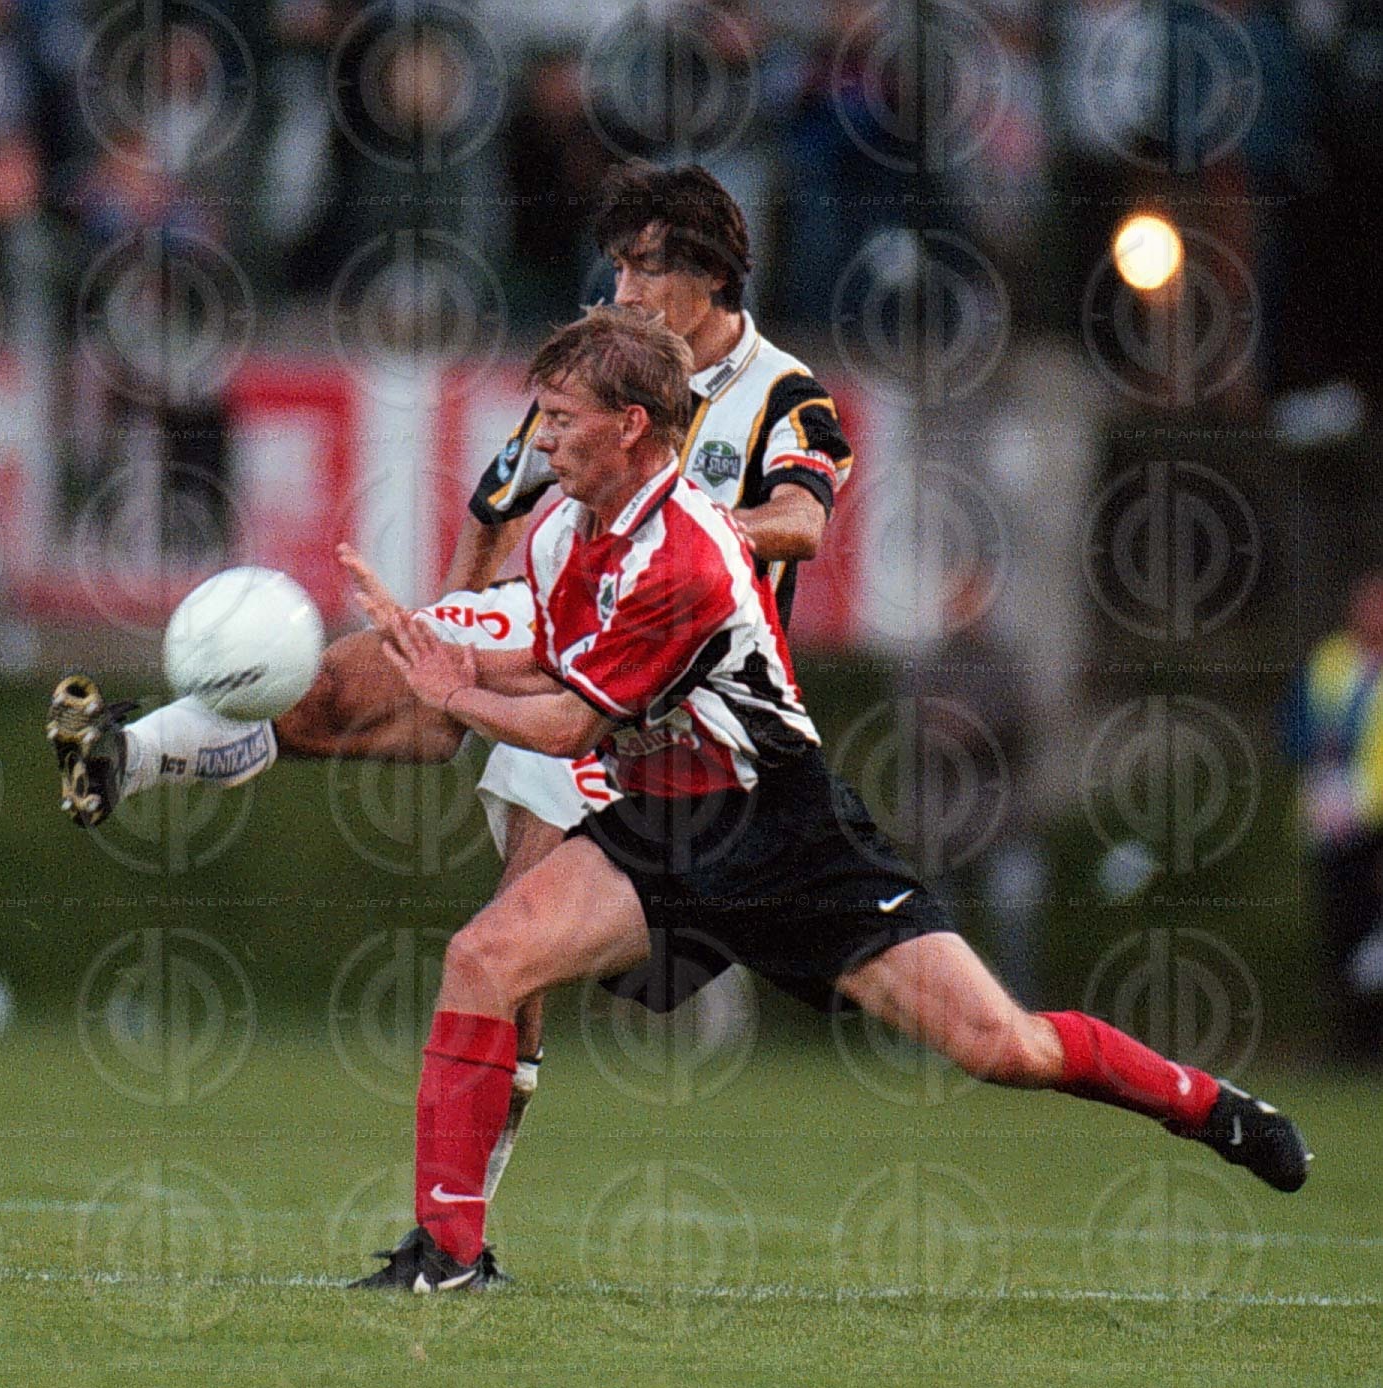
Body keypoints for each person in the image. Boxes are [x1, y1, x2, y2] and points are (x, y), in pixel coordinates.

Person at [340, 305, 1308, 1292]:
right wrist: (444, 647)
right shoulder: (562, 530)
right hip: (662, 824)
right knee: (485, 958)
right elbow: (552, 655)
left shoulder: (685, 554)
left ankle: (1205, 1105)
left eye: (560, 417)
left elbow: (567, 726)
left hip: (783, 832)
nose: (541, 440)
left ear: (630, 425)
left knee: (1002, 1047)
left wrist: (451, 693)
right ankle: (448, 1256)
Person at [47, 163, 852, 1266]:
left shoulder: (785, 393)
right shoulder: (598, 369)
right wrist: (441, 643)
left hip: (665, 704)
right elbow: (499, 505)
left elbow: (802, 523)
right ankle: (131, 751)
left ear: (711, 277)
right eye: (616, 266)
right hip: (552, 631)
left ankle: (459, 1231)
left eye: (646, 269)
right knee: (349, 684)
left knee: (518, 945)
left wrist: (684, 527)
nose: (622, 289)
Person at [1283, 572, 1383, 1064]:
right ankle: (1349, 1042)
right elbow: (1294, 725)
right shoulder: (1330, 659)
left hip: (1376, 819)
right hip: (1336, 820)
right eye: (1366, 605)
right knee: (1341, 932)